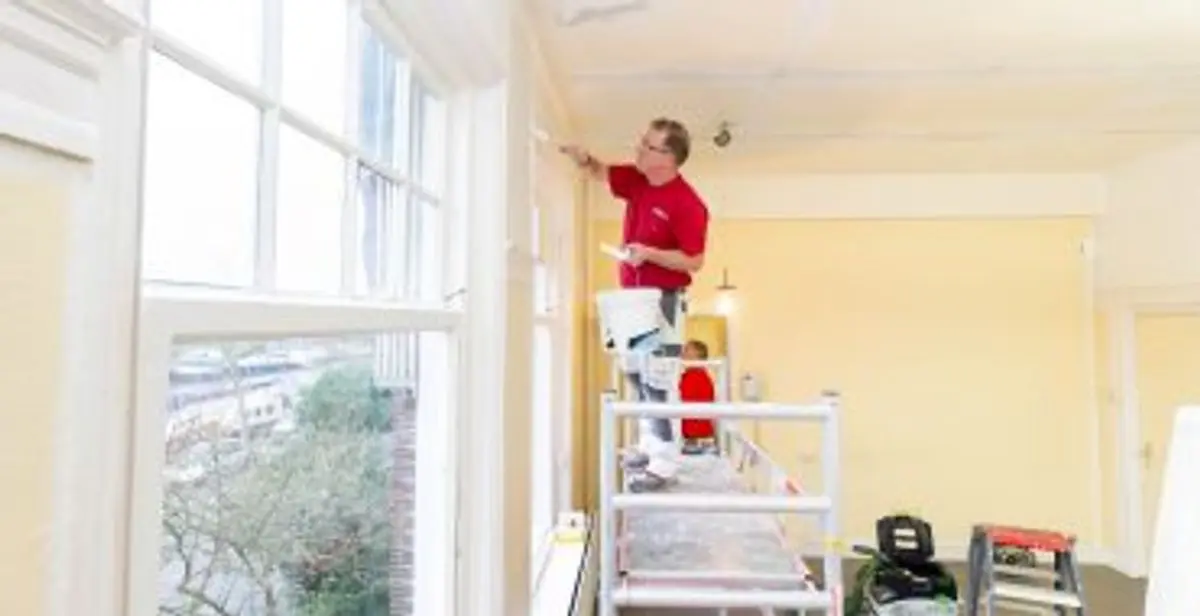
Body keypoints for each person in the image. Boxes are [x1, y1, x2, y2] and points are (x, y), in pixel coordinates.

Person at [562, 117, 711, 445]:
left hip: (665, 300)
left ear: (668, 158)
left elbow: (694, 260)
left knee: (658, 380)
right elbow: (601, 172)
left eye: (648, 145)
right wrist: (583, 159)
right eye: (642, 140)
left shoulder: (688, 204)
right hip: (632, 297)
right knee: (634, 374)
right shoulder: (637, 180)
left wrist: (649, 253)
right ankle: (654, 444)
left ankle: (665, 453)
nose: (638, 148)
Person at [678, 339, 718, 454]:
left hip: (698, 438)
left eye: (686, 350)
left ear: (697, 355)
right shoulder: (689, 376)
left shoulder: (698, 377)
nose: (682, 354)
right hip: (693, 438)